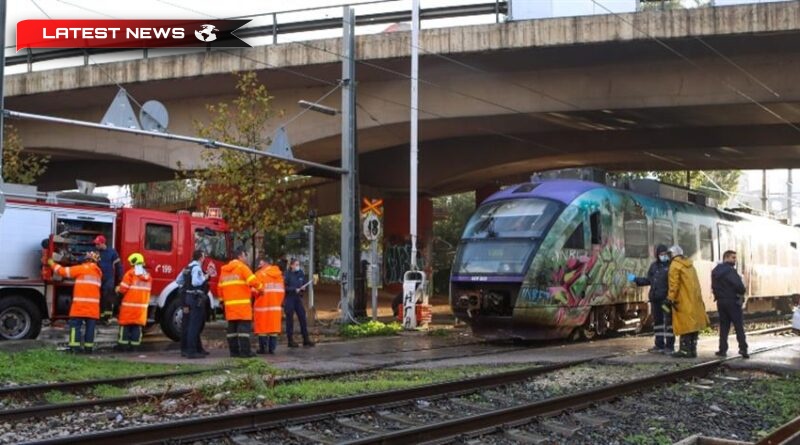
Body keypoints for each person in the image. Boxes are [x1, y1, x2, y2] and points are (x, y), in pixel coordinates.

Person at [49, 251, 102, 354]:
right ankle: (88, 348)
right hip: (93, 308)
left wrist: (52, 263)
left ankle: (75, 348)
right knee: (90, 329)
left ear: (87, 259)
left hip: (80, 306)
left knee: (75, 327)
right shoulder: (98, 272)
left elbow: (63, 271)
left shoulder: (82, 268)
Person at [627, 244, 675, 354]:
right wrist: (635, 279)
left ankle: (670, 346)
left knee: (668, 322)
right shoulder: (654, 266)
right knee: (658, 322)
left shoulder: (671, 266)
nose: (663, 256)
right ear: (657, 255)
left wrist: (670, 297)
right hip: (656, 301)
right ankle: (659, 345)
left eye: (665, 254)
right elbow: (649, 280)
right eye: (661, 254)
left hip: (666, 301)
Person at [667, 245, 709, 358]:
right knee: (693, 326)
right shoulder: (690, 265)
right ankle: (692, 350)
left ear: (672, 254)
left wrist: (670, 298)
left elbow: (674, 284)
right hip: (694, 301)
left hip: (682, 301)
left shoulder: (674, 265)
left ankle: (684, 350)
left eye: (669, 254)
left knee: (684, 326)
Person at [218, 247, 261, 358]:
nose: (246, 258)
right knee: (243, 331)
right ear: (240, 255)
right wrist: (262, 289)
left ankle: (234, 352)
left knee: (232, 331)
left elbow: (220, 288)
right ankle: (245, 352)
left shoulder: (224, 270)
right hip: (242, 307)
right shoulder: (242, 268)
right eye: (245, 255)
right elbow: (254, 281)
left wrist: (222, 301)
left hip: (230, 307)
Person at [712, 250, 749, 359]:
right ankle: (743, 349)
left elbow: (714, 287)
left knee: (724, 326)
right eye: (733, 257)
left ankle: (722, 349)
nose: (735, 260)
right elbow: (740, 287)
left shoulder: (715, 271)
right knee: (738, 326)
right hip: (733, 301)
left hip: (721, 302)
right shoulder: (730, 271)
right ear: (726, 257)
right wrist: (741, 292)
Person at [175, 250, 211, 359]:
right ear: (201, 257)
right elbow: (196, 282)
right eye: (203, 256)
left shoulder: (187, 267)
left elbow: (178, 280)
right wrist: (205, 277)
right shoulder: (197, 268)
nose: (204, 258)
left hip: (186, 298)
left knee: (187, 323)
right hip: (195, 299)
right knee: (194, 325)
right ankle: (192, 351)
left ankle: (186, 349)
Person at [115, 253, 151, 352]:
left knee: (125, 326)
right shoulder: (148, 276)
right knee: (136, 326)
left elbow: (123, 289)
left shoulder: (130, 274)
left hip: (129, 306)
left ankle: (122, 347)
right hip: (141, 308)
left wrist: (117, 291)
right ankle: (134, 347)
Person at [254, 257, 285, 354]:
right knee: (273, 329)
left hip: (262, 307)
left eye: (260, 263)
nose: (259, 264)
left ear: (264, 263)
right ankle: (272, 349)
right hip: (275, 307)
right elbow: (282, 292)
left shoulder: (259, 274)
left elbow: (254, 291)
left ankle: (263, 349)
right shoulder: (279, 276)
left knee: (262, 328)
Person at [284, 258, 315, 348]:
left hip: (298, 299)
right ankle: (290, 340)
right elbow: (285, 287)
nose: (298, 266)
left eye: (298, 264)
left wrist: (303, 288)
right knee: (289, 319)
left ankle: (306, 339)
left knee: (302, 316)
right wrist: (294, 289)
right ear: (291, 265)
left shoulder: (300, 273)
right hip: (289, 298)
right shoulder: (287, 274)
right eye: (296, 264)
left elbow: (303, 282)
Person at [94, 235, 123, 324]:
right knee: (99, 298)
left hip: (108, 279)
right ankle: (99, 317)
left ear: (103, 243)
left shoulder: (112, 252)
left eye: (98, 244)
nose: (96, 245)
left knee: (107, 299)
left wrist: (120, 278)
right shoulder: (96, 252)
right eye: (96, 244)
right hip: (98, 279)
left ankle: (106, 318)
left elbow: (118, 266)